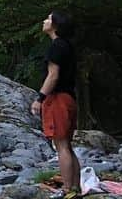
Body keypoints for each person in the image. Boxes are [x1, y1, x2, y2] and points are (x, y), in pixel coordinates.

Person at [31, 11, 80, 199]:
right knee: (67, 144)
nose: (44, 21)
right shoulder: (67, 45)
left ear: (56, 25)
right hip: (69, 98)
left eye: (48, 19)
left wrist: (40, 98)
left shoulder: (56, 46)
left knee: (61, 145)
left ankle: (67, 191)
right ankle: (75, 187)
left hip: (58, 98)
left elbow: (53, 75)